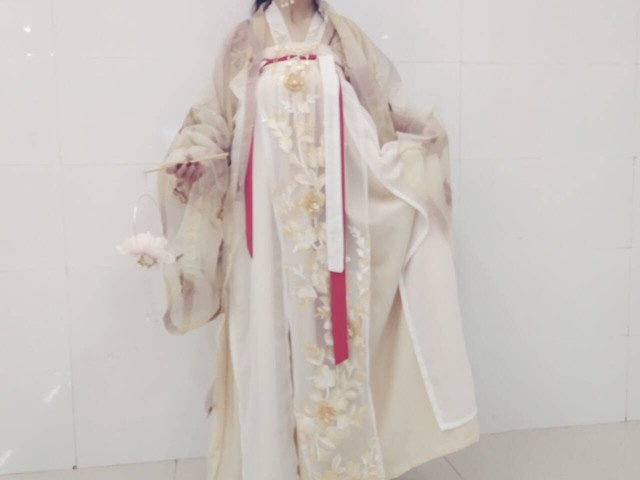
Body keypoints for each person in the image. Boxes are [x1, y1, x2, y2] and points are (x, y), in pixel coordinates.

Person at [156, 1, 479, 478]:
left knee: (329, 346)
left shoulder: (344, 38)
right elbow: (213, 118)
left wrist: (421, 133)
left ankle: (334, 465)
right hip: (263, 233)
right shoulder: (245, 40)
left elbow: (383, 109)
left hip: (334, 230)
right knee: (266, 337)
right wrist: (193, 154)